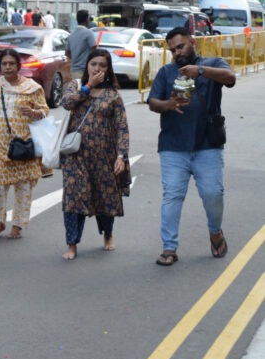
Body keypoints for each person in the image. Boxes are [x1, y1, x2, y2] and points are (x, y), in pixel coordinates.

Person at [147, 26, 236, 266]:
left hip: (208, 145)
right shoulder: (167, 72)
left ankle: (215, 231)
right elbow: (152, 102)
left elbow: (230, 78)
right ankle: (169, 247)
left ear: (193, 42)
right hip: (173, 145)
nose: (177, 52)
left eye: (181, 46)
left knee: (213, 194)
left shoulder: (212, 64)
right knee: (172, 196)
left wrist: (200, 71)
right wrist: (168, 105)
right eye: (173, 50)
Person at [60, 48, 131, 259]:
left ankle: (108, 234)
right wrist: (88, 86)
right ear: (87, 66)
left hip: (104, 157)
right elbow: (67, 103)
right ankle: (72, 244)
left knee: (105, 198)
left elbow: (122, 127)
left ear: (108, 70)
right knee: (73, 199)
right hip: (76, 156)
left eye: (102, 65)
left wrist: (121, 156)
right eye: (93, 64)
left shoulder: (113, 95)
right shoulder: (74, 86)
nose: (97, 69)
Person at [0, 47, 50, 240]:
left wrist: (33, 113)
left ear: (18, 66)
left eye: (11, 64)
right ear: (0, 66)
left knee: (23, 188)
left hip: (24, 146)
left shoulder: (32, 88)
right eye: (4, 64)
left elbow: (45, 111)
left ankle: (17, 225)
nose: (7, 67)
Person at [65, 8, 97, 79]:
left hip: (74, 71)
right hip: (85, 70)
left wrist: (76, 58)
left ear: (77, 20)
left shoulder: (71, 34)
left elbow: (67, 53)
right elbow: (94, 50)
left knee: (77, 86)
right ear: (87, 20)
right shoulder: (88, 33)